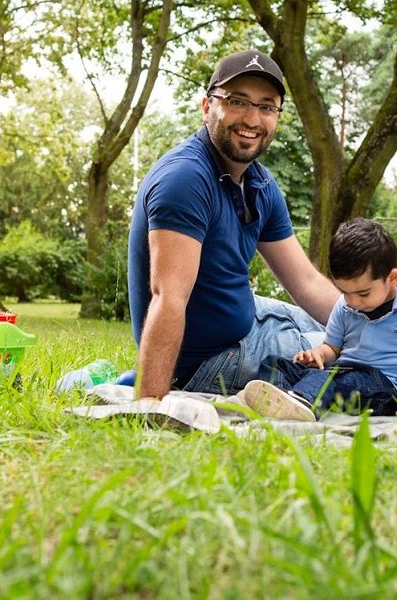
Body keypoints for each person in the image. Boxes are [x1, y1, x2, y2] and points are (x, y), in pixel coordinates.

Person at [127, 49, 339, 399]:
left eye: (267, 106)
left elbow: (306, 282)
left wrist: (383, 319)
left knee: (354, 326)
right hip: (211, 360)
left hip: (247, 316)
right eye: (238, 101)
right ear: (207, 106)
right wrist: (150, 405)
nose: (253, 120)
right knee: (348, 357)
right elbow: (169, 297)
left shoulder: (259, 183)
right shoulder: (186, 179)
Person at [241, 218, 397, 420]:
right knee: (276, 363)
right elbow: (332, 348)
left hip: (385, 388)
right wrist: (318, 354)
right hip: (342, 373)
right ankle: (278, 397)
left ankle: (302, 400)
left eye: (363, 293)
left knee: (328, 377)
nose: (352, 301)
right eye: (345, 292)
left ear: (392, 278)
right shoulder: (344, 305)